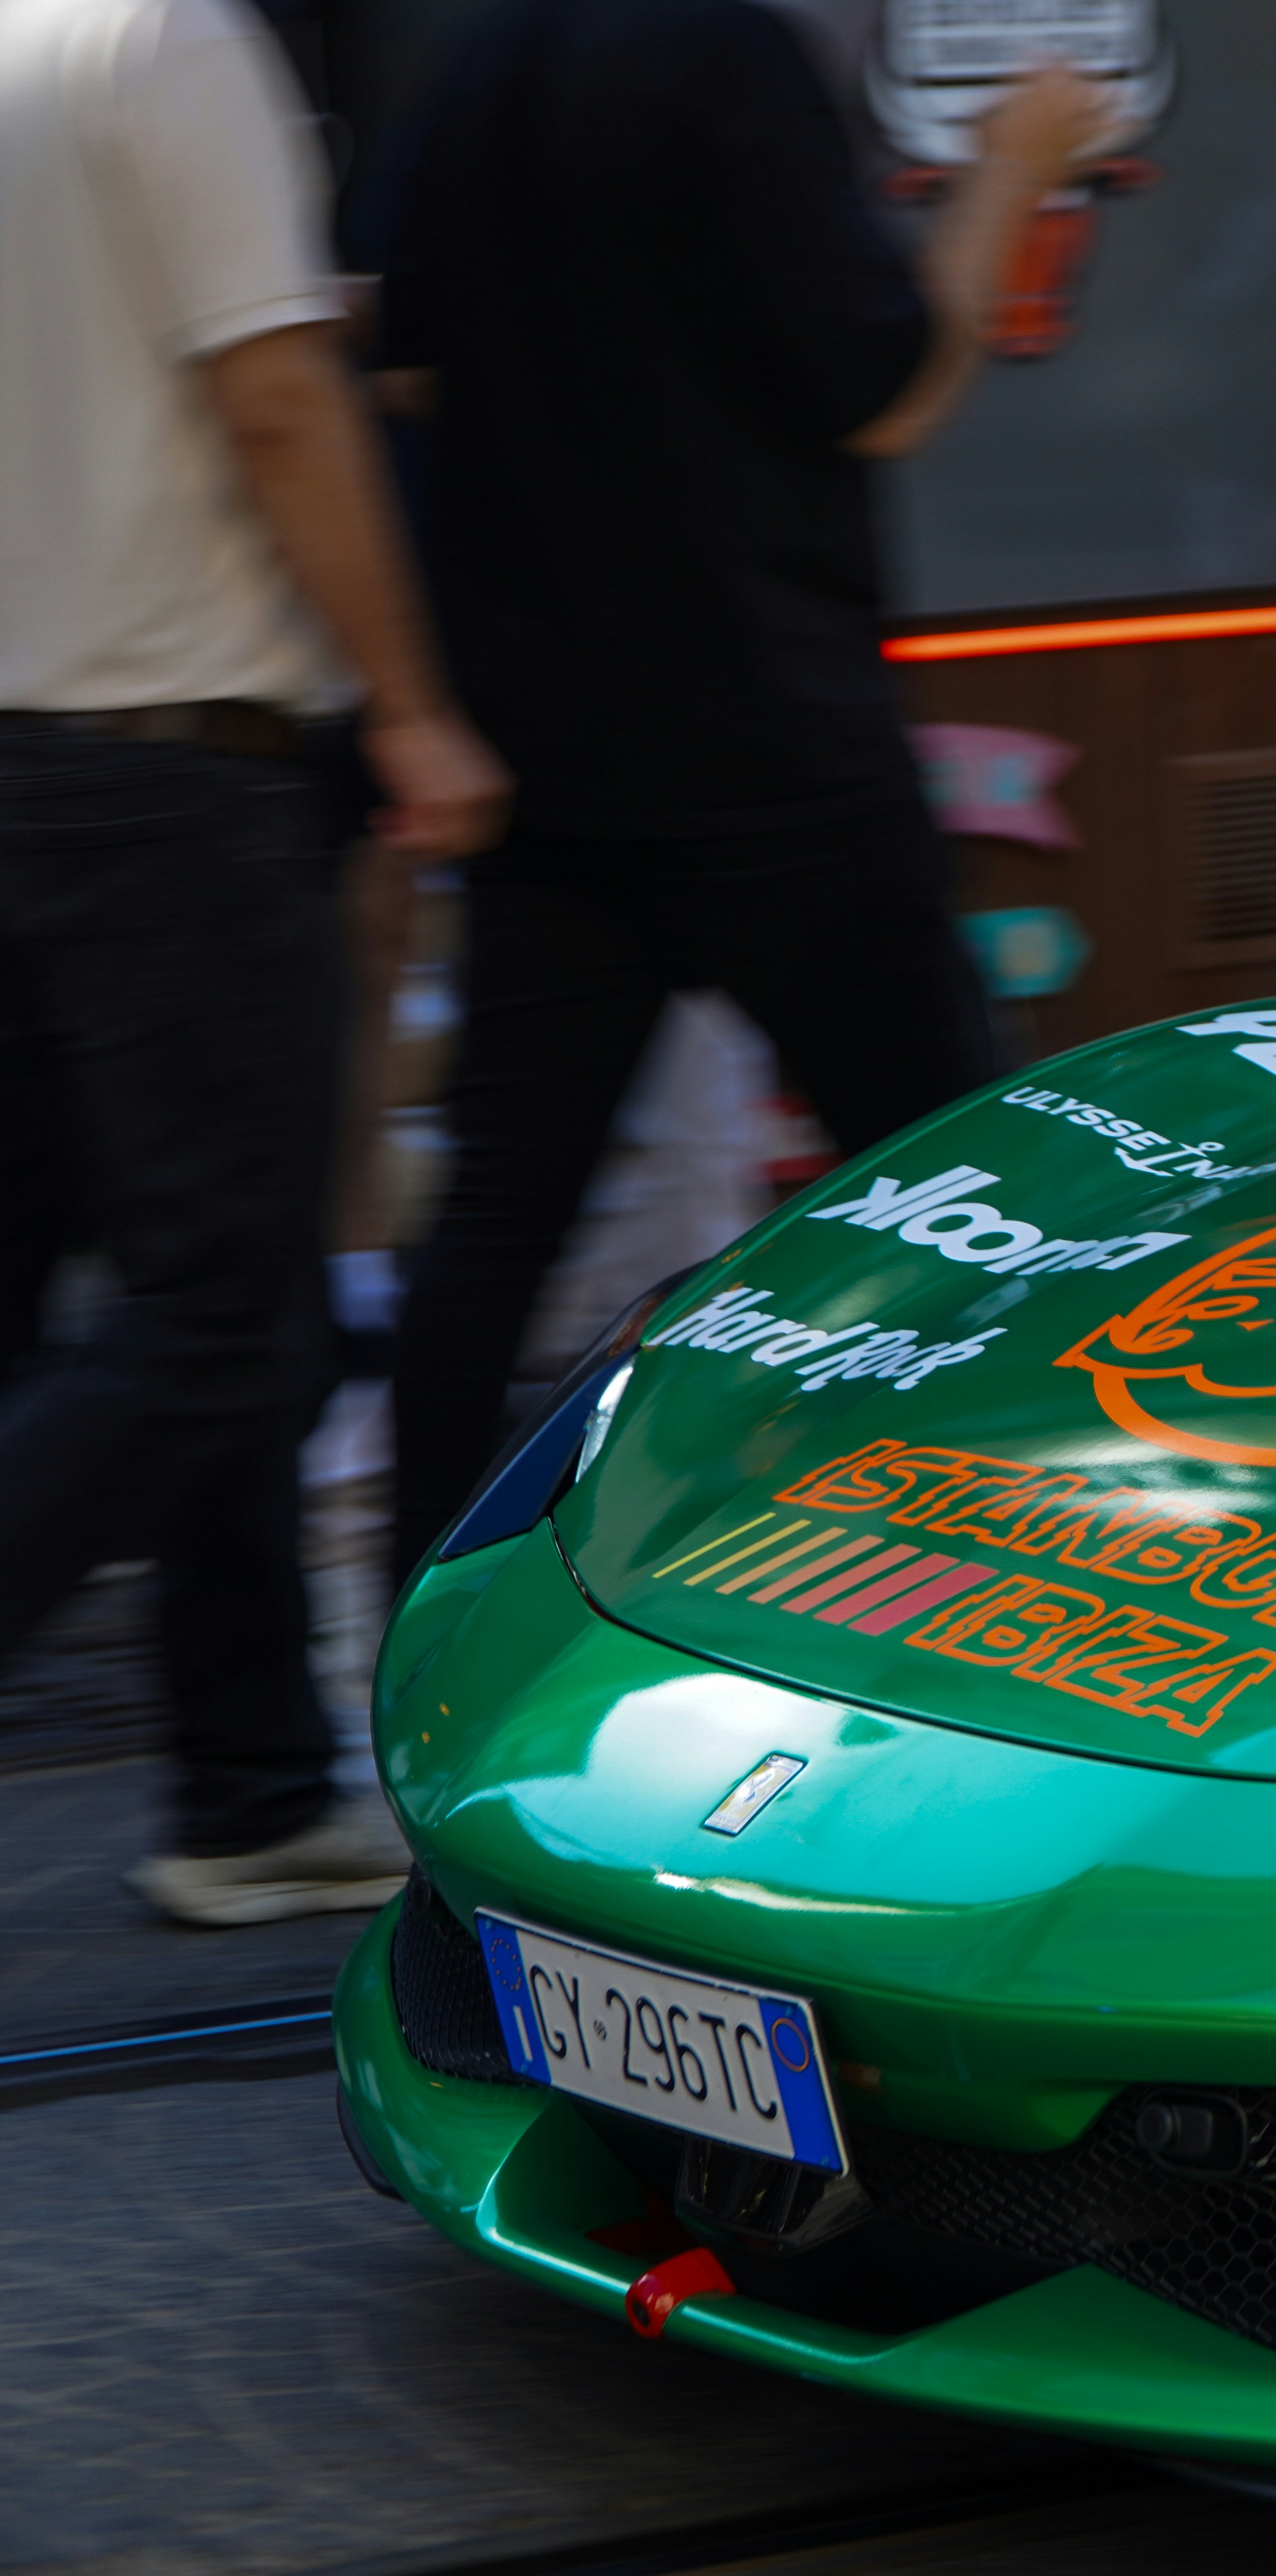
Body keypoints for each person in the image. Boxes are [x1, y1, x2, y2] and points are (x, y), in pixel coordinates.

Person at [374, 3, 1107, 1582]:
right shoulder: (728, 53)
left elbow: (410, 366)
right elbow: (888, 389)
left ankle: (411, 1631)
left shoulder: (481, 55)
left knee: (492, 1232)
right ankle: (1025, 1603)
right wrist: (1014, 165)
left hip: (546, 749)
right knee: (975, 1202)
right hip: (771, 738)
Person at [0, 0, 508, 1922]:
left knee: (144, 1308)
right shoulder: (163, 43)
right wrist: (412, 704)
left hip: (27, 761)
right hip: (168, 769)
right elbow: (277, 399)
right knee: (223, 1319)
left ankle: (250, 1784)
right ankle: (250, 1780)